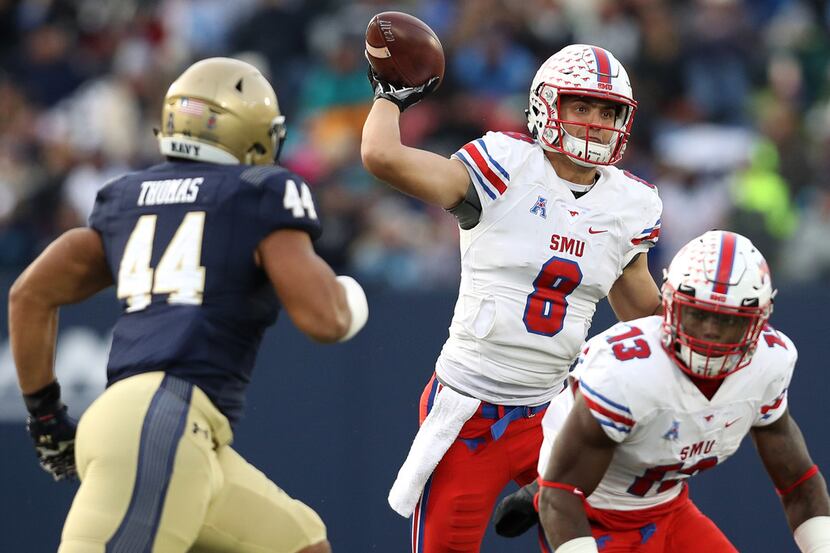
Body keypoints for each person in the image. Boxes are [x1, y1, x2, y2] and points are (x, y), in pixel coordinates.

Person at [8, 57, 369, 553]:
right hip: (161, 423)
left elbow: (29, 293)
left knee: (303, 544)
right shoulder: (259, 192)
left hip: (166, 430)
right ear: (253, 133)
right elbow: (324, 319)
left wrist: (45, 418)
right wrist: (349, 299)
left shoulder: (127, 196)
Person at [362, 43, 664, 552]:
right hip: (471, 409)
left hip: (555, 414)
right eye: (581, 105)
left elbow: (647, 317)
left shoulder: (629, 204)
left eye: (608, 110)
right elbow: (381, 156)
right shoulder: (503, 165)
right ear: (548, 106)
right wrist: (391, 96)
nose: (595, 121)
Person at [535, 230, 830, 552]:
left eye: (728, 321)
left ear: (758, 321)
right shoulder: (627, 372)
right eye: (698, 314)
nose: (710, 332)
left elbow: (799, 485)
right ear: (671, 305)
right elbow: (560, 495)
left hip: (669, 509)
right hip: (592, 518)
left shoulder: (769, 362)